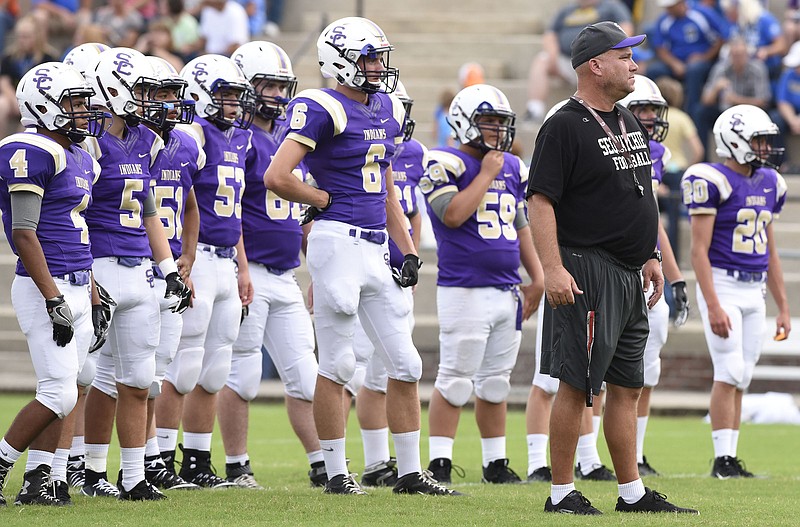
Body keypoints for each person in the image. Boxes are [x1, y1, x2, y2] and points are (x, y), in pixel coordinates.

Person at [264, 16, 457, 496]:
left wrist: (407, 246)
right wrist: (324, 201)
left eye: (378, 58)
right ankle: (335, 473)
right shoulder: (321, 105)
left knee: (406, 364)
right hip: (336, 242)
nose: (377, 67)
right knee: (338, 364)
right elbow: (278, 175)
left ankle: (410, 473)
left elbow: (387, 186)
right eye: (368, 58)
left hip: (375, 245)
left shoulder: (386, 106)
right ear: (340, 62)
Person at [527, 21, 698, 514]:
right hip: (585, 267)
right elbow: (540, 201)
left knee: (629, 385)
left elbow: (638, 197)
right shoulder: (564, 123)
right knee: (578, 384)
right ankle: (561, 493)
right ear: (595, 65)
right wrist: (553, 268)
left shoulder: (629, 120)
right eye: (624, 56)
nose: (634, 65)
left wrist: (650, 255)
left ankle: (632, 492)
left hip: (628, 269)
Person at [80, 46, 192, 501]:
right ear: (114, 91)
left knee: (138, 379)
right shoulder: (88, 142)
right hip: (101, 265)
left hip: (140, 267)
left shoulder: (148, 139)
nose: (150, 101)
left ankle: (133, 477)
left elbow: (150, 213)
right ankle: (80, 469)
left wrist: (168, 269)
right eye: (142, 91)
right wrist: (83, 276)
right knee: (87, 376)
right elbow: (76, 213)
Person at [419, 83, 544, 485]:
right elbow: (452, 214)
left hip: (507, 288)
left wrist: (537, 277)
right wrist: (486, 174)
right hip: (464, 286)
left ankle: (495, 463)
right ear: (463, 122)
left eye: (500, 123)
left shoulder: (511, 166)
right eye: (487, 121)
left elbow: (521, 225)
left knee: (495, 382)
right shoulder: (445, 162)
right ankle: (439, 462)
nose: (496, 130)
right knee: (456, 379)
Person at [0, 61, 107, 506]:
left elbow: (77, 226)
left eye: (83, 102)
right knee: (58, 391)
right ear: (42, 105)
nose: (83, 111)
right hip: (46, 285)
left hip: (79, 282)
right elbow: (24, 232)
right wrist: (52, 296)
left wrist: (94, 292)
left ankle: (39, 479)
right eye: (74, 102)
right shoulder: (31, 150)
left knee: (73, 385)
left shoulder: (80, 154)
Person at [224, 40, 322, 489]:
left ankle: (324, 462)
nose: (278, 96)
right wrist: (241, 266)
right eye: (267, 85)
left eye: (283, 87)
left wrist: (314, 267)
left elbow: (300, 216)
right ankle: (236, 465)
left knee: (306, 376)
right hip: (250, 270)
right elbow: (230, 211)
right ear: (245, 86)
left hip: (285, 273)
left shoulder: (288, 139)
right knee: (241, 373)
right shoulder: (239, 140)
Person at [155, 53, 254, 489]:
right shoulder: (188, 137)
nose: (234, 103)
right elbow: (173, 202)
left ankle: (196, 459)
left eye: (236, 95)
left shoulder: (240, 138)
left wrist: (243, 267)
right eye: (225, 95)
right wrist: (183, 258)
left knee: (214, 369)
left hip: (226, 261)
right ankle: (158, 458)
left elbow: (234, 216)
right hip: (197, 259)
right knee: (184, 368)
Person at [681, 104, 791, 479]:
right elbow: (697, 251)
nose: (765, 148)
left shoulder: (771, 183)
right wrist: (712, 304)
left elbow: (770, 250)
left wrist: (784, 306)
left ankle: (730, 456)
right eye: (758, 140)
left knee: (742, 375)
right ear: (735, 140)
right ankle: (721, 460)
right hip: (723, 284)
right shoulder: (712, 179)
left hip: (755, 288)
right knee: (728, 370)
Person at [343, 79, 426, 488]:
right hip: (360, 264)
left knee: (388, 370)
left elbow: (407, 210)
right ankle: (335, 465)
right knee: (349, 368)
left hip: (396, 273)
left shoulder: (413, 153)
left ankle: (382, 464)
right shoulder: (353, 144)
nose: (402, 117)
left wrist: (411, 253)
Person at [619, 74, 691, 475]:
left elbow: (652, 221)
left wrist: (675, 276)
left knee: (646, 369)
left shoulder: (657, 152)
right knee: (597, 371)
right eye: (641, 108)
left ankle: (636, 454)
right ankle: (590, 458)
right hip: (607, 266)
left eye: (652, 110)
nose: (648, 117)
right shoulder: (601, 145)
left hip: (647, 268)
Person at [140, 55, 202, 492]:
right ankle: (84, 463)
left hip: (168, 265)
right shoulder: (123, 143)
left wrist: (188, 258)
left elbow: (192, 207)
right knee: (120, 374)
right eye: (160, 95)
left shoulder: (185, 143)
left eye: (172, 95)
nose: (169, 104)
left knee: (157, 371)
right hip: (131, 263)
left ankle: (152, 458)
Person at [524, 0, 633, 123]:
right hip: (567, 60)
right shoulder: (567, 10)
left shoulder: (612, 6)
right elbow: (550, 34)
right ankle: (534, 110)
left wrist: (610, 56)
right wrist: (553, 56)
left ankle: (615, 114)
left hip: (599, 62)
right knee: (542, 60)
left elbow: (625, 30)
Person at [646, 0, 728, 125]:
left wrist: (705, 56)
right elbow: (660, 47)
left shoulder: (701, 14)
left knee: (694, 70)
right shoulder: (665, 20)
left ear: (680, 3)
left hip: (702, 62)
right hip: (676, 62)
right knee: (653, 70)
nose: (668, 10)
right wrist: (674, 63)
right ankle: (656, 111)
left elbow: (722, 37)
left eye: (671, 7)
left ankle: (690, 116)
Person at [697, 37, 771, 157]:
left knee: (771, 117)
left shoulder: (758, 69)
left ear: (747, 54)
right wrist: (716, 89)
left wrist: (736, 100)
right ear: (729, 55)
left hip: (750, 114)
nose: (738, 58)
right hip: (725, 113)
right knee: (701, 112)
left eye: (741, 54)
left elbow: (763, 101)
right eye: (734, 55)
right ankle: (703, 158)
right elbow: (705, 100)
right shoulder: (720, 68)